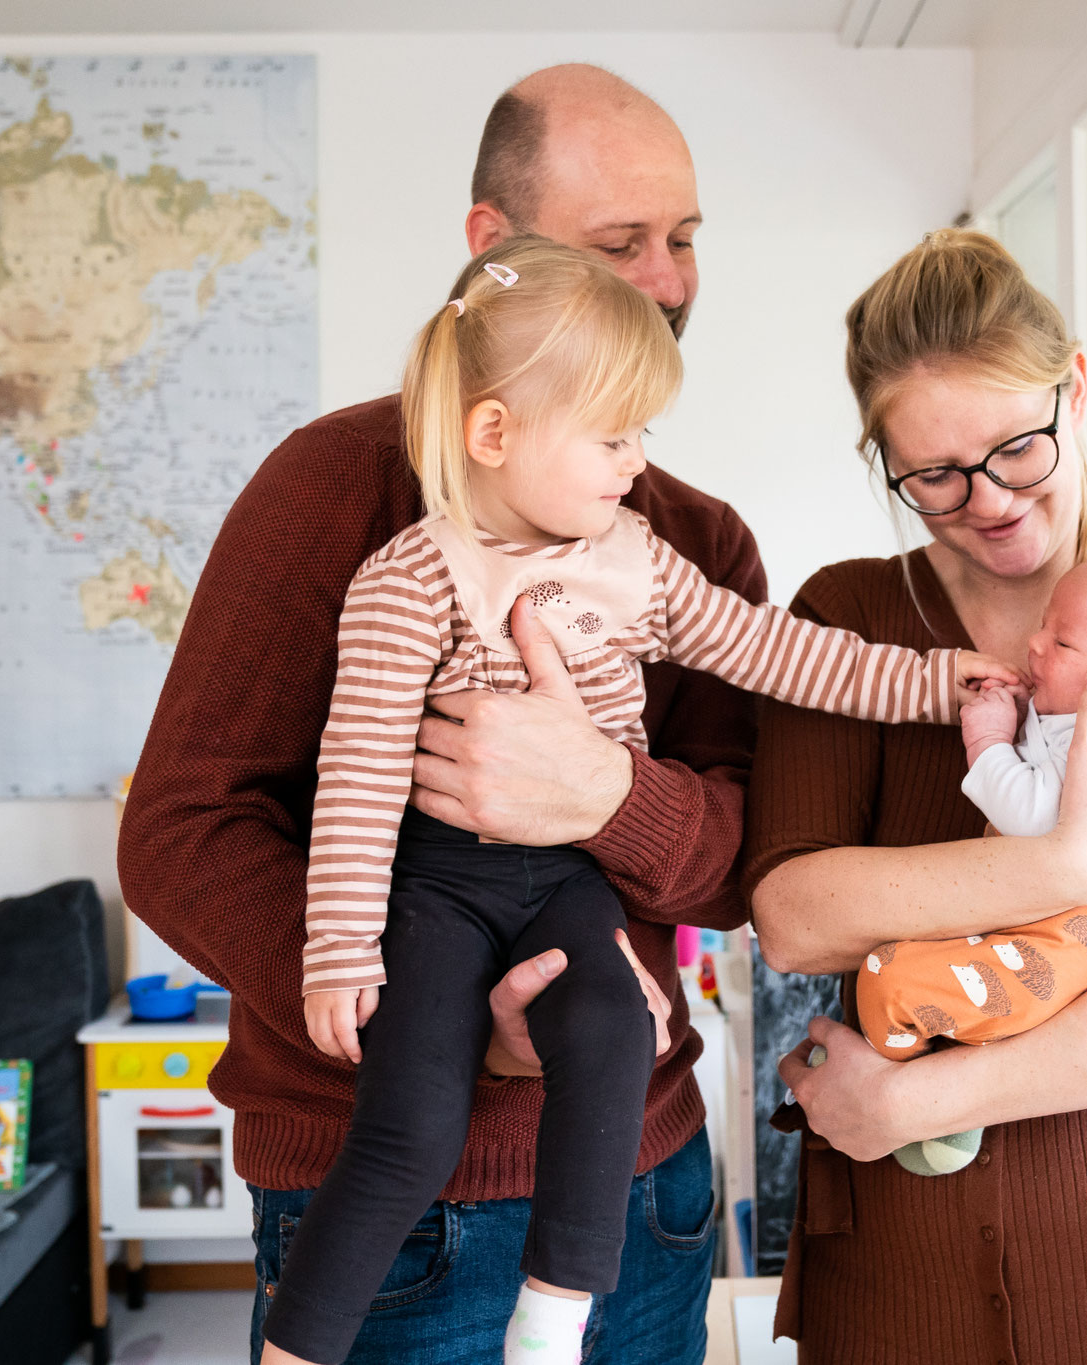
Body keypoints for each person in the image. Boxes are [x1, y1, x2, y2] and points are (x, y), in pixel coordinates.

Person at [261, 236, 1011, 1365]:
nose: (635, 461)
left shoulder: (639, 562)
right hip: (436, 883)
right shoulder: (409, 578)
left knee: (616, 1029)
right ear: (494, 435)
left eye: (642, 434)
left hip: (568, 874)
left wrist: (927, 681)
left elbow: (780, 655)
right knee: (406, 1123)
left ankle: (553, 1320)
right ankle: (298, 1347)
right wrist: (337, 949)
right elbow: (359, 770)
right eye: (612, 437)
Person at [119, 66, 756, 1364]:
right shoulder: (332, 492)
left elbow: (745, 860)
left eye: (683, 239)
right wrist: (443, 1008)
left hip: (647, 1200)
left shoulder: (693, 541)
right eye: (619, 242)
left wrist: (603, 796)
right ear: (494, 250)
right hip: (396, 1222)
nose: (672, 279)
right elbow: (181, 832)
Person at [748, 228, 1087, 1362]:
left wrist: (922, 1106)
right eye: (933, 477)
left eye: (1016, 447)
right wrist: (1063, 866)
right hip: (900, 1285)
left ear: (1077, 388)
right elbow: (795, 914)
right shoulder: (847, 619)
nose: (988, 501)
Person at [847, 543, 1087, 1177]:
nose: (1034, 644)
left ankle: (929, 1094)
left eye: (1062, 643)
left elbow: (1035, 823)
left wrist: (989, 737)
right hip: (1037, 917)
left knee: (891, 979)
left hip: (1066, 933)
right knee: (913, 968)